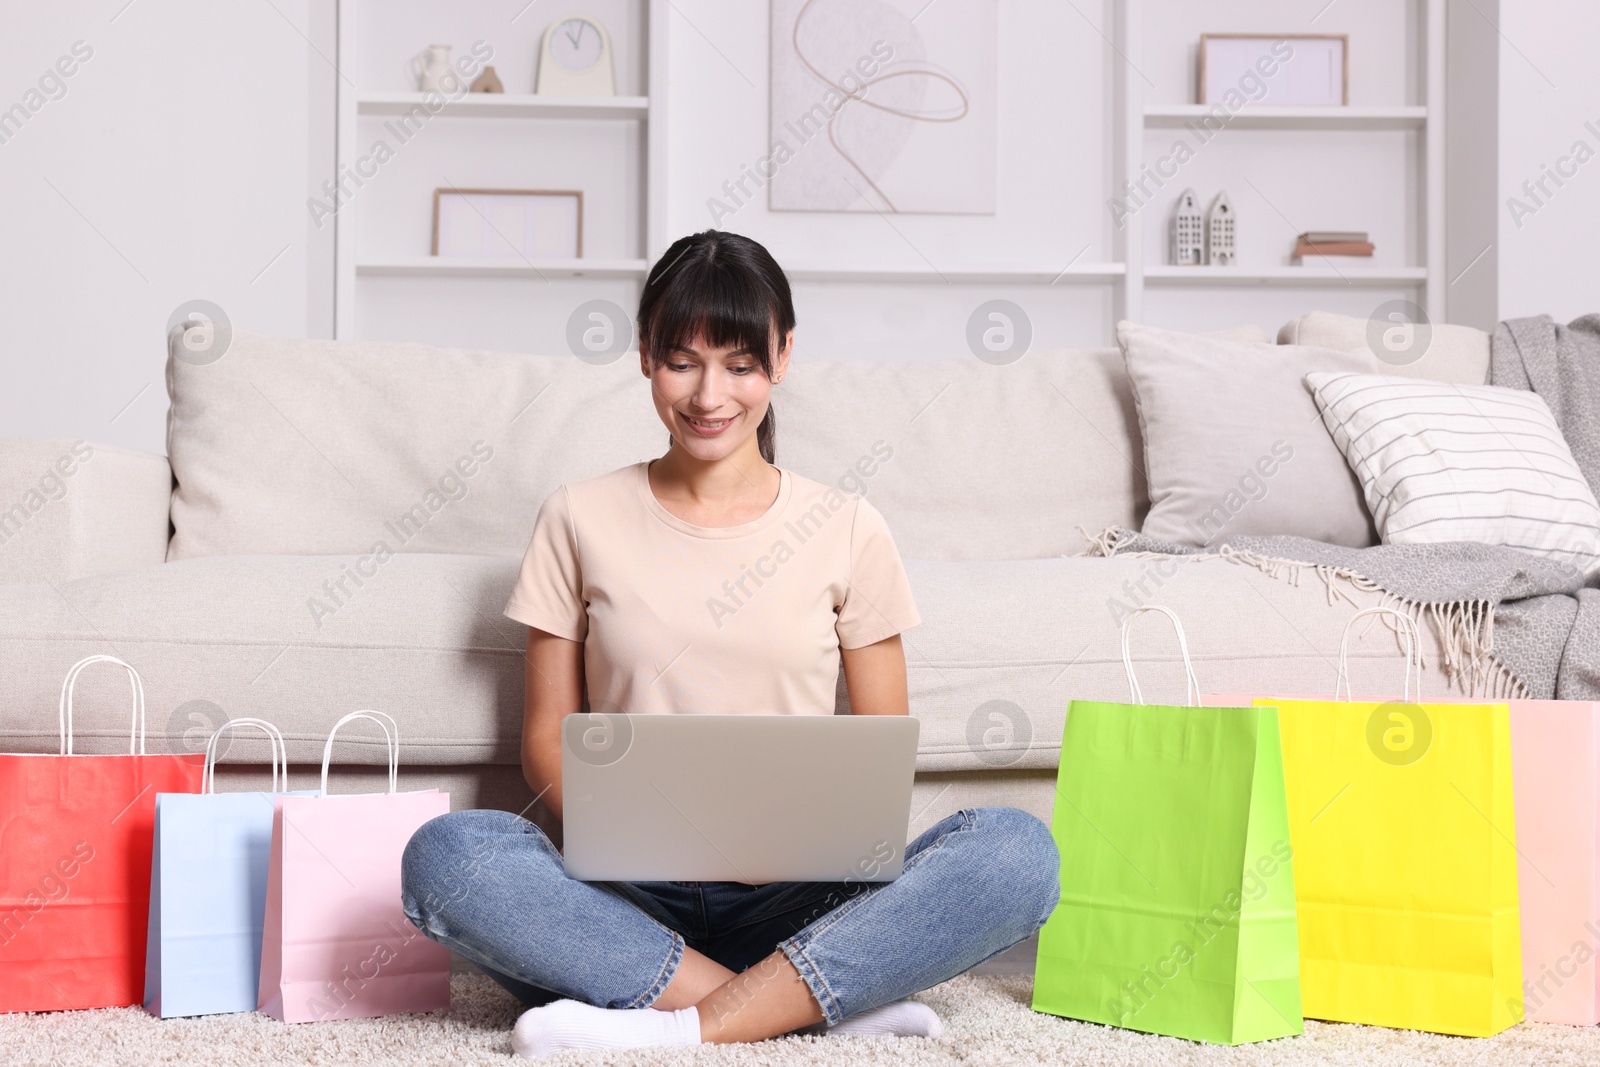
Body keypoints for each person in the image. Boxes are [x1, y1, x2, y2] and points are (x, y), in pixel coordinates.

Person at [400, 230, 1060, 1058]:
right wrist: (639, 832)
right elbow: (543, 735)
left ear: (782, 357)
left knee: (1017, 853)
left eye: (740, 365)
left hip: (803, 899)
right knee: (448, 853)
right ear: (644, 356)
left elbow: (882, 748)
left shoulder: (849, 526)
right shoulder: (577, 515)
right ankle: (805, 1005)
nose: (710, 394)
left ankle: (672, 1024)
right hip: (630, 901)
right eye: (683, 361)